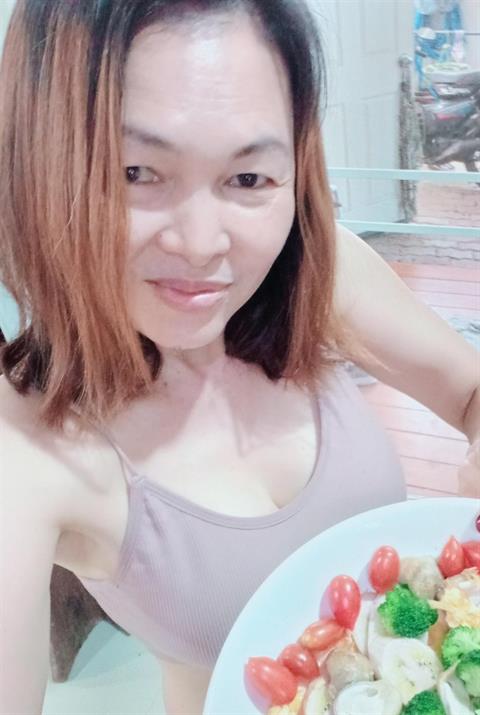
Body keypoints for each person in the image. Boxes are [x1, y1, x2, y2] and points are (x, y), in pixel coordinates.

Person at [0, 1, 478, 713]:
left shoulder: (319, 279)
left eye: (249, 178)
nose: (201, 246)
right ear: (42, 170)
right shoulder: (25, 444)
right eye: (135, 171)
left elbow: (470, 393)